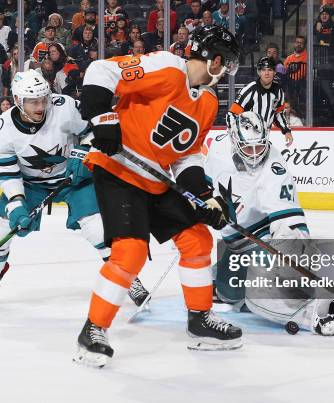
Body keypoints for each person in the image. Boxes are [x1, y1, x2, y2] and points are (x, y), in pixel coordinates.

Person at [73, 25, 242, 368]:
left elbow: (187, 155)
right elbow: (102, 70)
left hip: (158, 179)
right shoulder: (167, 67)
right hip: (120, 170)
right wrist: (104, 118)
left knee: (197, 239)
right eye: (227, 65)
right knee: (130, 251)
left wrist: (204, 195)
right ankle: (94, 329)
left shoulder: (208, 102)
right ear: (217, 60)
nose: (225, 74)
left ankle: (200, 320)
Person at [0, 69, 148, 307]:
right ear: (18, 101)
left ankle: (128, 279)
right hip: (31, 184)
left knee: (98, 229)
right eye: (32, 102)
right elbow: (7, 173)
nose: (40, 106)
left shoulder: (64, 106)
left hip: (74, 178)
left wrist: (84, 152)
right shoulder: (1, 130)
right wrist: (17, 203)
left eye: (43, 99)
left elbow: (95, 128)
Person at [204, 111, 334, 335]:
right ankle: (221, 278)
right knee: (229, 294)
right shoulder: (217, 149)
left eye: (260, 146)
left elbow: (288, 222)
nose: (255, 154)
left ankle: (324, 306)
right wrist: (203, 208)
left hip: (263, 236)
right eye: (248, 148)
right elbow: (201, 185)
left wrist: (298, 257)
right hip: (234, 244)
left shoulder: (274, 166)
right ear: (234, 141)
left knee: (266, 284)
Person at [229, 56, 293, 146]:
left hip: (265, 137)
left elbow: (278, 113)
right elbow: (232, 113)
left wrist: (286, 131)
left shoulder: (278, 91)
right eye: (263, 70)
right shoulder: (250, 90)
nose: (266, 73)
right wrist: (234, 133)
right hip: (246, 137)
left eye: (270, 70)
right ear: (259, 72)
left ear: (275, 72)